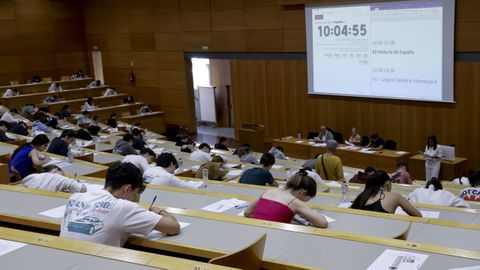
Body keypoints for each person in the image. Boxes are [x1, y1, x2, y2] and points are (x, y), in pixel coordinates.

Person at [60, 162, 180, 246]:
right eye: (136, 194)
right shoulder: (124, 207)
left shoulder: (75, 197)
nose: (136, 200)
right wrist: (157, 210)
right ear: (127, 189)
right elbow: (173, 227)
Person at [244, 170, 328, 228]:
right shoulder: (295, 202)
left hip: (253, 230)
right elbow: (323, 223)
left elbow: (247, 212)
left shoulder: (269, 191)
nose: (304, 203)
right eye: (306, 200)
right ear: (302, 192)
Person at [351, 171, 422, 216]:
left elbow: (347, 212)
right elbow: (418, 216)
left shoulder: (361, 196)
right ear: (388, 184)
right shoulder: (396, 196)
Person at [22, 165, 86, 193]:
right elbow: (83, 189)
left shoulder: (33, 176)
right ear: (56, 169)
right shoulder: (59, 178)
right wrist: (76, 182)